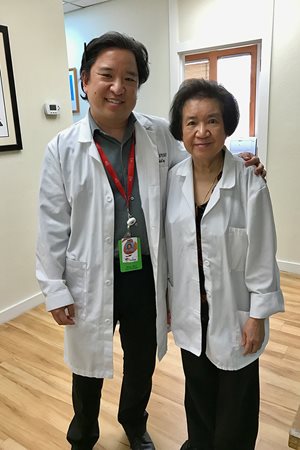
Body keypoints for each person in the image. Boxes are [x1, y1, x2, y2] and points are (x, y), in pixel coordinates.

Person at [36, 32, 265, 450]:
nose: (118, 87)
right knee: (87, 364)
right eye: (107, 75)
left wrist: (243, 164)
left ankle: (133, 422)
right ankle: (83, 431)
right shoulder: (62, 150)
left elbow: (202, 164)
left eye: (130, 78)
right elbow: (52, 223)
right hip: (91, 273)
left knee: (141, 360)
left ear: (139, 86)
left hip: (145, 270)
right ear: (85, 80)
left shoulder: (160, 135)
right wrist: (54, 288)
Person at [165, 78, 284, 450]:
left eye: (212, 120)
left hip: (236, 312)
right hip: (189, 309)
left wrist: (257, 316)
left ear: (227, 125)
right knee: (197, 396)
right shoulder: (173, 179)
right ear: (180, 130)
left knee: (237, 402)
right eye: (191, 122)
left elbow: (262, 253)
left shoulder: (249, 180)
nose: (202, 131)